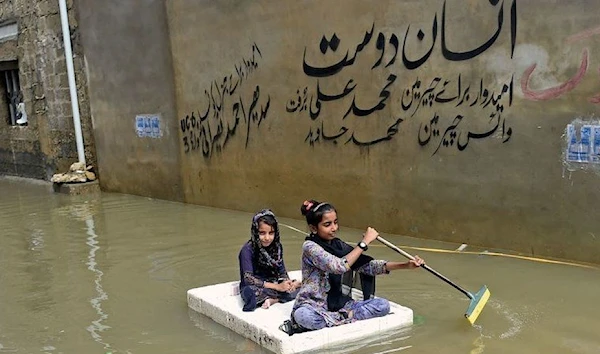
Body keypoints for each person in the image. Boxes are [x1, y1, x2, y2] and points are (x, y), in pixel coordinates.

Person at [290, 199, 425, 331]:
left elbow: (368, 266)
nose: (334, 228)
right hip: (313, 304)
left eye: (335, 222)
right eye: (327, 224)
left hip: (341, 304)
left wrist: (406, 265)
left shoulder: (338, 245)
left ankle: (339, 317)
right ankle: (344, 317)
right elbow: (338, 266)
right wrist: (364, 243)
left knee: (382, 305)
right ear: (314, 228)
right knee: (303, 316)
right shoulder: (310, 247)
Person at [238, 209, 301, 311]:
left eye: (271, 233)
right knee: (251, 294)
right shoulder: (247, 250)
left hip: (273, 282)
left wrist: (287, 283)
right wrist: (277, 287)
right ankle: (276, 297)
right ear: (255, 232)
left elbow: (282, 271)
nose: (267, 238)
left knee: (303, 288)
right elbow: (248, 279)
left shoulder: (277, 248)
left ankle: (273, 300)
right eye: (262, 233)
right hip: (256, 286)